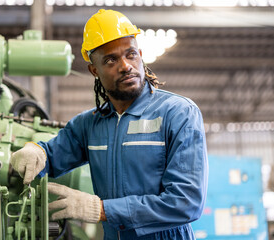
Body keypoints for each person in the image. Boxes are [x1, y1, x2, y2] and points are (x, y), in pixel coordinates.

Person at [11, 9, 208, 240]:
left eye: (131, 54)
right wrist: (37, 151)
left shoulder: (178, 113)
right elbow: (52, 155)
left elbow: (186, 202)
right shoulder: (90, 124)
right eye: (111, 59)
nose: (125, 66)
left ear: (141, 55)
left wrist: (103, 210)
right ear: (94, 70)